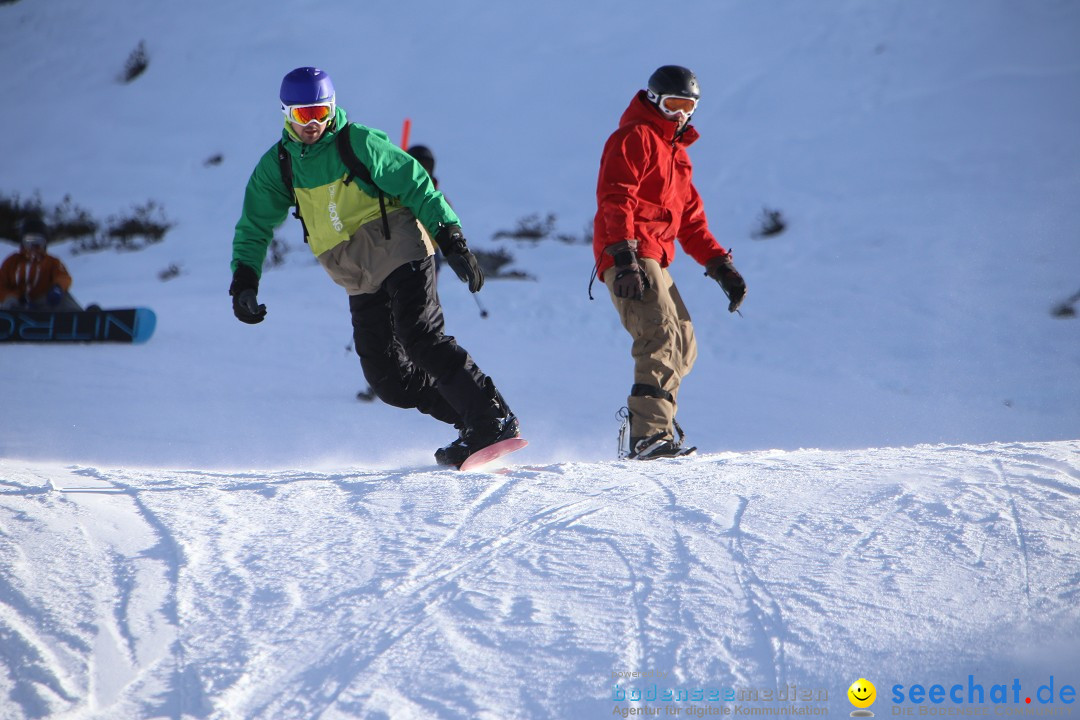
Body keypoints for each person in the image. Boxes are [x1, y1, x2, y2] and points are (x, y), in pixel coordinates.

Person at [229, 67, 518, 466]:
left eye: (320, 113)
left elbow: (416, 183)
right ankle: (476, 421)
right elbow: (255, 224)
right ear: (286, 114)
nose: (312, 124)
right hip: (358, 277)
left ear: (332, 109)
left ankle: (490, 419)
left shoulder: (358, 142)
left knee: (420, 336)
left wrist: (451, 237)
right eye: (301, 115)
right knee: (390, 382)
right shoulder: (279, 165)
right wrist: (245, 277)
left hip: (399, 250)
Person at [593, 65, 747, 460]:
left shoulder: (677, 158)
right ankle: (649, 434)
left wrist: (720, 266)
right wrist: (624, 259)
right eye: (673, 104)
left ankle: (657, 426)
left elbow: (691, 222)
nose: (680, 114)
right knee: (659, 336)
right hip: (630, 250)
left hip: (656, 258)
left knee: (683, 344)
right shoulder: (635, 138)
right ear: (654, 99)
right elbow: (616, 197)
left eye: (688, 106)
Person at [0, 217, 83, 311]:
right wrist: (17, 297)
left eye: (38, 242)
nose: (33, 246)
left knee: (64, 296)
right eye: (29, 241)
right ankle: (9, 322)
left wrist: (57, 288)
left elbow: (63, 276)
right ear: (22, 242)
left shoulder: (51, 262)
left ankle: (85, 319)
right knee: (10, 301)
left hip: (43, 302)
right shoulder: (12, 262)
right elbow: (1, 285)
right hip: (19, 305)